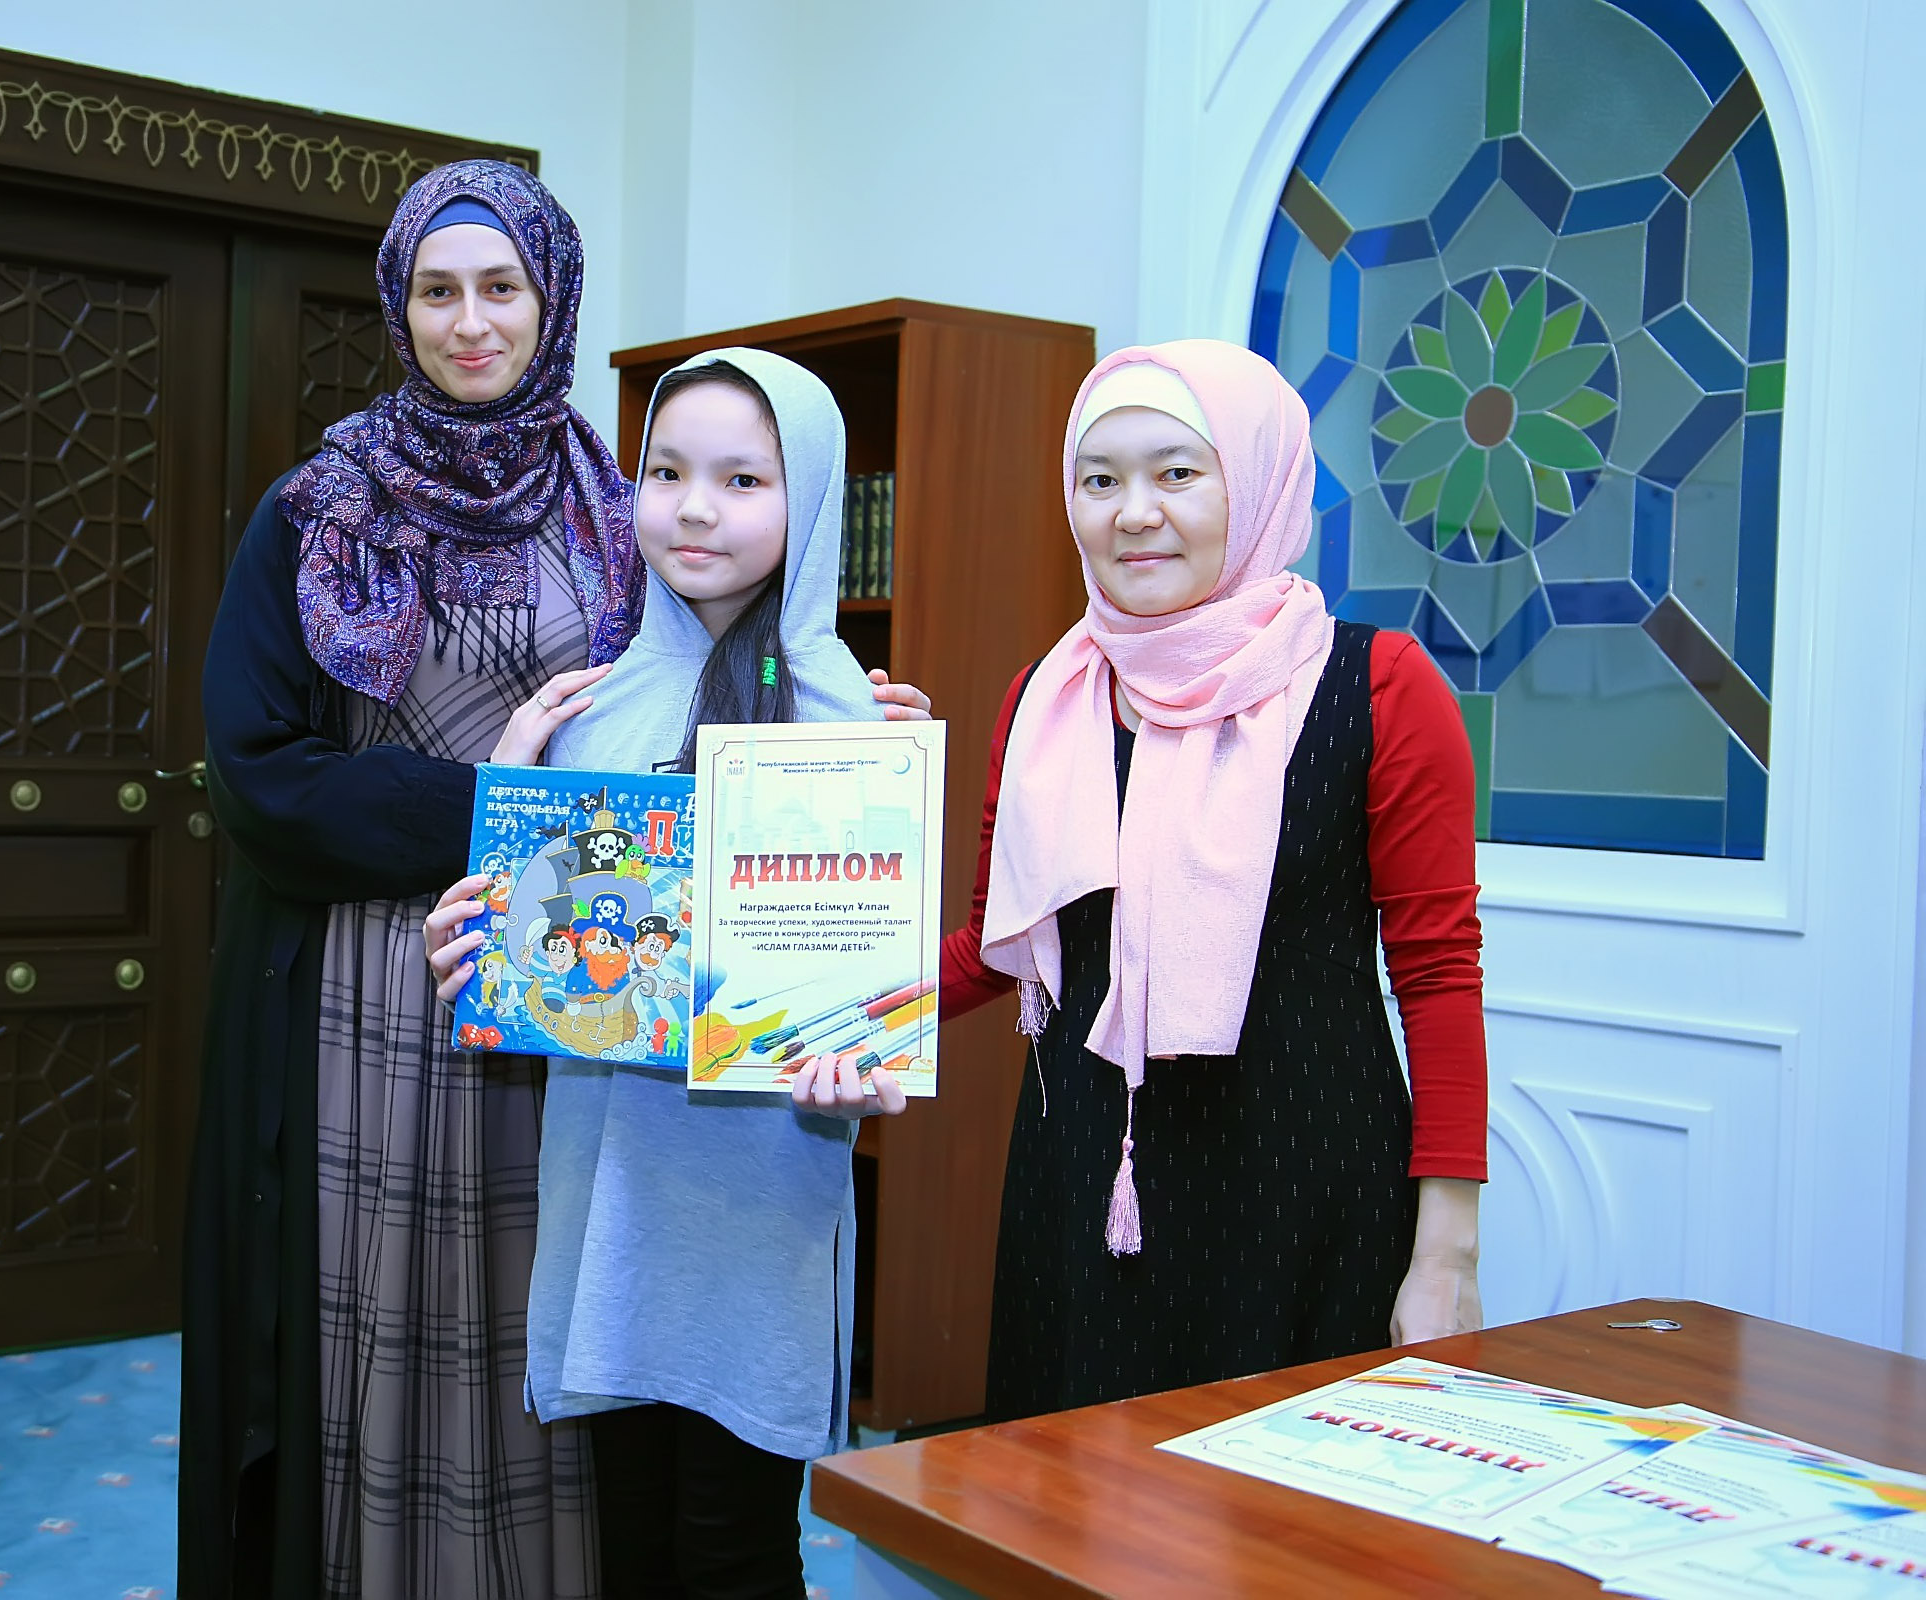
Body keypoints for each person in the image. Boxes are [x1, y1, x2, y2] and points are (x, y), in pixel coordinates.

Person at [180, 162, 931, 1597]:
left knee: (640, 1443)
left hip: (602, 1007)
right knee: (426, 1331)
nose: (471, 321)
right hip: (412, 986)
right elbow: (262, 773)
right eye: (436, 289)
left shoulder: (606, 495)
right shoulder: (320, 505)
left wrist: (863, 764)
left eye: (502, 286)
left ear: (554, 300)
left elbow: (739, 707)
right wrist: (499, 810)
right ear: (397, 305)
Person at [425, 350, 907, 1599]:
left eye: (744, 479)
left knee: (737, 1549)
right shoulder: (584, 712)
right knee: (629, 1543)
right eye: (668, 471)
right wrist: (480, 923)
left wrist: (867, 1066)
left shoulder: (850, 721)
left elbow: (867, 1001)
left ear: (811, 498)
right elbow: (554, 957)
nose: (696, 508)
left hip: (761, 1204)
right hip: (614, 1191)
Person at [940, 340, 1488, 1423]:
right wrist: (790, 1009)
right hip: (1084, 1189)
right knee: (1065, 1506)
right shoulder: (1047, 700)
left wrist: (1447, 1255)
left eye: (1178, 472)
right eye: (1100, 480)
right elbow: (994, 948)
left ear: (1259, 479)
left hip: (1311, 1196)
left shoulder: (1380, 685)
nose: (1134, 512)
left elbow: (1437, 979)